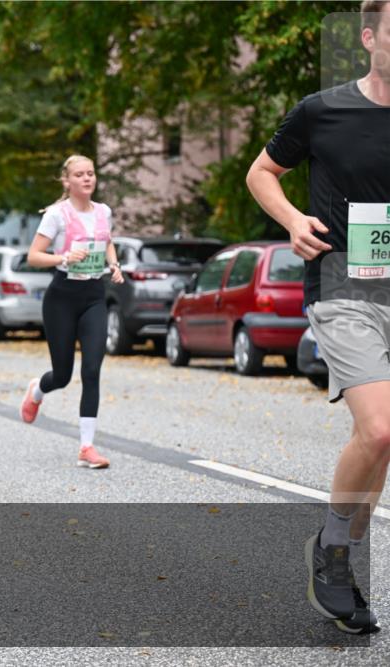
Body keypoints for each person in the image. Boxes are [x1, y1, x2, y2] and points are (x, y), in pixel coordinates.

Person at [245, 0, 389, 634]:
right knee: (380, 430)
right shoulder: (323, 109)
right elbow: (262, 172)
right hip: (341, 286)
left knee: (381, 450)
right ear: (369, 37)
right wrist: (293, 221)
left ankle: (345, 561)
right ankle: (332, 549)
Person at [19, 155, 125, 469]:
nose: (87, 179)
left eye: (90, 173)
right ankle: (37, 390)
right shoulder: (56, 215)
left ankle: (87, 447)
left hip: (93, 296)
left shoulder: (104, 211)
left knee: (91, 370)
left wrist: (114, 265)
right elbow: (34, 257)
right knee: (63, 375)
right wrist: (64, 257)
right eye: (79, 174)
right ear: (68, 181)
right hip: (62, 298)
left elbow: (107, 242)